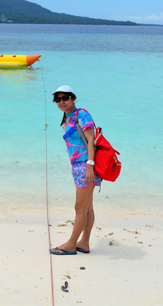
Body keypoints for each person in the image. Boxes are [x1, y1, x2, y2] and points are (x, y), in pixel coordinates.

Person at [49, 85, 101, 255]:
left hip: (86, 165)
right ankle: (84, 243)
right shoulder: (67, 117)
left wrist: (89, 167)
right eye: (58, 99)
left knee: (79, 208)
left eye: (65, 98)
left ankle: (71, 244)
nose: (61, 102)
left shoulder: (82, 115)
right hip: (78, 165)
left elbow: (91, 141)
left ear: (73, 98)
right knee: (87, 207)